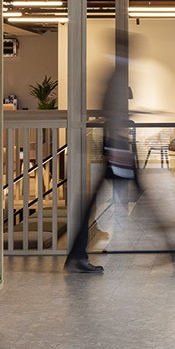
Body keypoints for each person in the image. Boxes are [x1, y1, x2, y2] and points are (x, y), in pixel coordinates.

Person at [66, 62, 133, 274]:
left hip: (115, 146)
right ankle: (172, 245)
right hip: (116, 146)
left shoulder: (115, 78)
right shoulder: (118, 79)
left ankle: (78, 255)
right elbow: (111, 114)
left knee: (135, 196)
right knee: (137, 197)